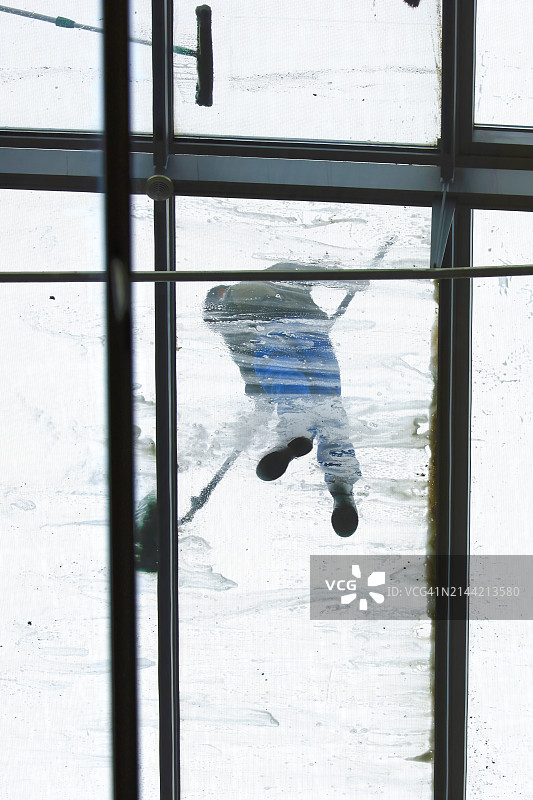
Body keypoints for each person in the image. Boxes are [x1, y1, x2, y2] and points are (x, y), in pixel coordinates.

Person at [203, 263, 369, 537]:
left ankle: (296, 436)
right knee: (330, 407)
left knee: (291, 390)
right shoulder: (276, 272)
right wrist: (350, 277)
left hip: (272, 336)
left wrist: (259, 400)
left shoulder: (232, 315)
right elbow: (315, 270)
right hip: (314, 333)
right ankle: (341, 480)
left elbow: (243, 358)